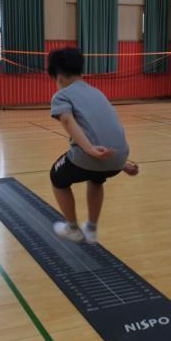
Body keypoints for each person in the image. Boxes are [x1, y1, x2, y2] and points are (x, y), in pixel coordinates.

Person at [48, 47, 138, 244]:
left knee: (57, 177)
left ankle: (72, 228)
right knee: (96, 179)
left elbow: (67, 120)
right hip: (117, 158)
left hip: (91, 157)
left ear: (59, 77)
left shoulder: (61, 95)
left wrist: (89, 149)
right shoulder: (98, 93)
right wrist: (122, 163)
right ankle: (91, 228)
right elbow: (107, 128)